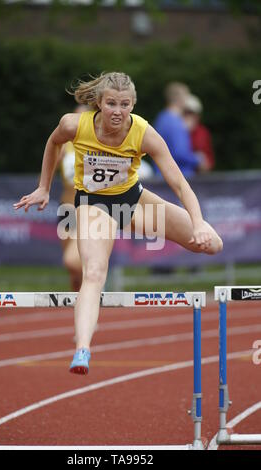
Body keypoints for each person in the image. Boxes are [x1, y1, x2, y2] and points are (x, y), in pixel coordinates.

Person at [14, 72, 223, 375]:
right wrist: (44, 186)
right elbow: (53, 142)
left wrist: (199, 222)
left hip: (134, 202)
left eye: (124, 104)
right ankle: (82, 348)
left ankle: (201, 231)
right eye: (111, 103)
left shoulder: (144, 133)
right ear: (98, 103)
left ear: (133, 105)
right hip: (94, 206)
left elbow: (178, 182)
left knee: (213, 244)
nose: (117, 111)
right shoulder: (75, 124)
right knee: (94, 273)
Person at [56, 104, 89, 292]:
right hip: (67, 208)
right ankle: (78, 308)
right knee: (72, 268)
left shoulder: (98, 144)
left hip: (89, 209)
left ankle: (90, 298)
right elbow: (49, 168)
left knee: (79, 260)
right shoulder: (64, 144)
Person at [153, 82, 203, 178]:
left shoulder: (161, 118)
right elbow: (180, 153)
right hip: (177, 177)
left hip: (161, 176)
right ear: (181, 99)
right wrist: (198, 159)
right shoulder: (176, 122)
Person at [183, 94, 215, 172]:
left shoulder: (203, 132)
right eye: (187, 113)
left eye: (192, 113)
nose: (189, 116)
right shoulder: (177, 130)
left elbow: (209, 159)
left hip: (199, 175)